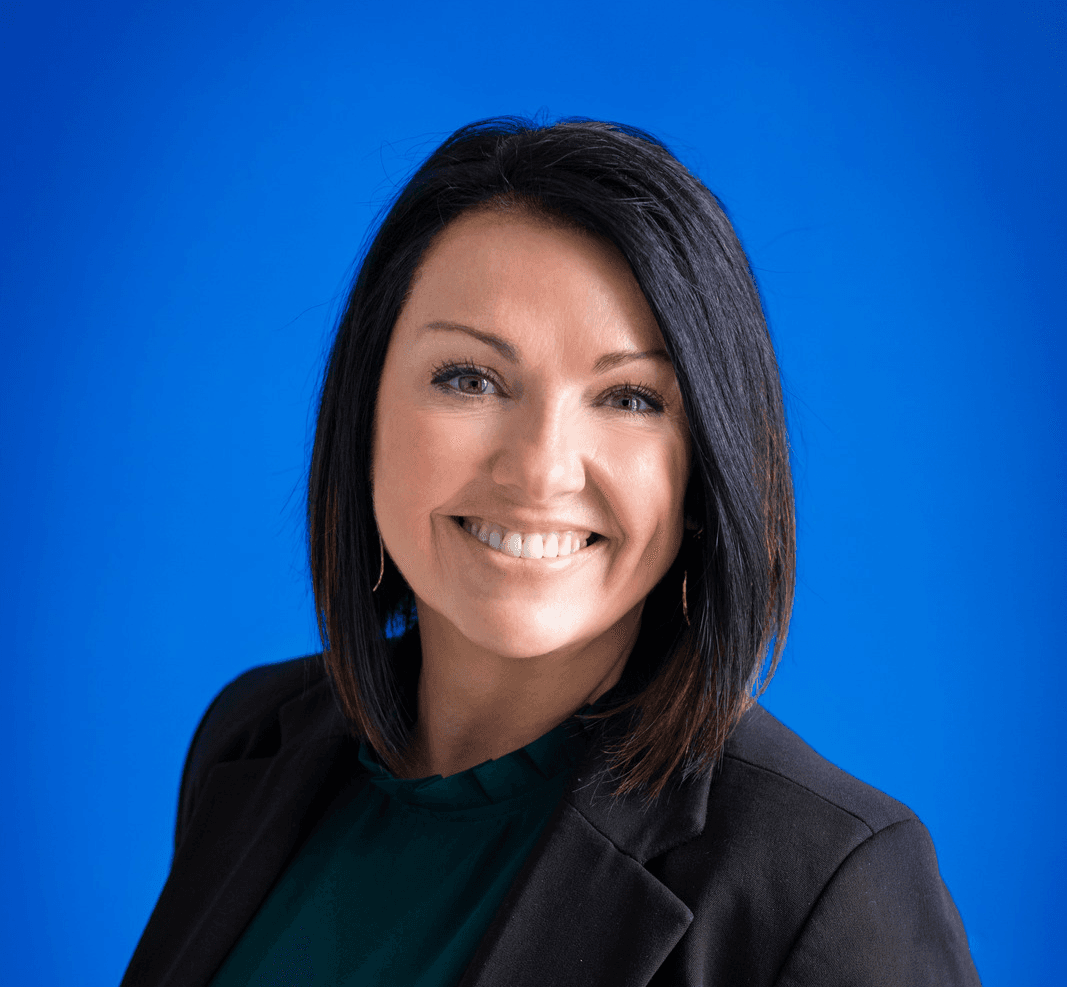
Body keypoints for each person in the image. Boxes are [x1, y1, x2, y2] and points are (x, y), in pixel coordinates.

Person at [122, 117, 981, 987]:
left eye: (630, 397)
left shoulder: (825, 883)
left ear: (703, 470)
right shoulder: (250, 737)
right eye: (470, 378)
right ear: (364, 413)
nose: (538, 468)